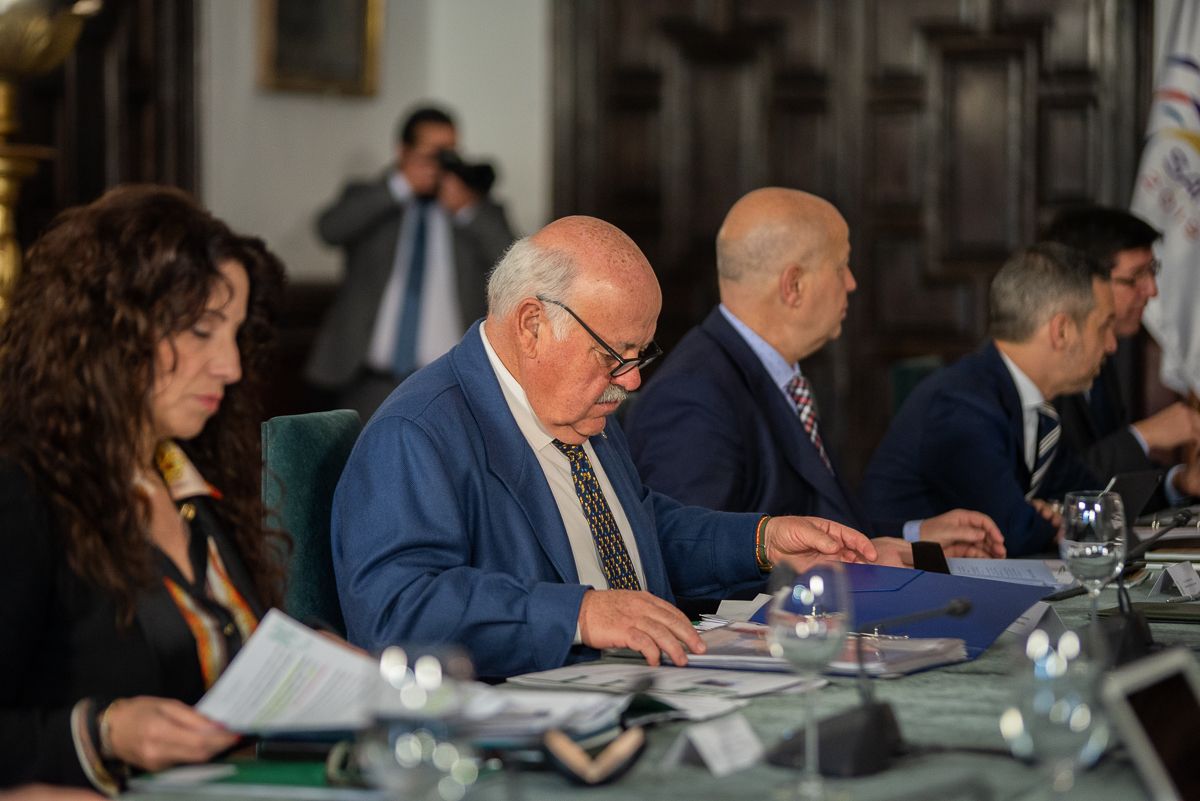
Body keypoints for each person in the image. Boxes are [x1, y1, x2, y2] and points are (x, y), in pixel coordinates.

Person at [332, 215, 894, 680]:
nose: (631, 383)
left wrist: (762, 541)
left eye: (640, 355)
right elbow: (395, 610)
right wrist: (579, 613)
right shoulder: (418, 434)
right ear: (532, 325)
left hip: (656, 685)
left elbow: (641, 532)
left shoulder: (576, 405)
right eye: (614, 356)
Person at [0, 186, 289, 791]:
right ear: (112, 331)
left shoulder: (184, 479)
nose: (230, 367)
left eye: (235, 335)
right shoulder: (23, 492)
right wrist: (103, 732)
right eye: (202, 332)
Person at [625, 187, 1004, 559]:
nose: (852, 283)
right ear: (794, 286)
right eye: (841, 266)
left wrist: (915, 535)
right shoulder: (693, 395)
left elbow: (822, 517)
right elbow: (691, 558)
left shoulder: (775, 371)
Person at [861, 243, 1115, 556]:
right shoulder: (960, 404)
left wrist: (1053, 512)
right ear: (1061, 330)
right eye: (1104, 327)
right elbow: (1011, 532)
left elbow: (1093, 495)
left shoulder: (1035, 405)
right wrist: (1052, 515)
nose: (1112, 344)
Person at [305, 104, 518, 420]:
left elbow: (514, 263)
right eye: (433, 153)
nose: (442, 164)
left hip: (450, 382)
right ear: (403, 151)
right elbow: (329, 229)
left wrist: (466, 210)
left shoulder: (476, 209)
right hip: (369, 379)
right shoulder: (372, 196)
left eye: (451, 153)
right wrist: (399, 186)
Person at [1042, 206, 1200, 502]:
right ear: (1086, 282)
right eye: (1137, 276)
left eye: (1152, 272)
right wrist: (1143, 436)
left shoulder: (1106, 356)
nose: (1152, 290)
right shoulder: (1041, 364)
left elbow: (1113, 490)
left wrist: (1179, 482)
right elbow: (1058, 489)